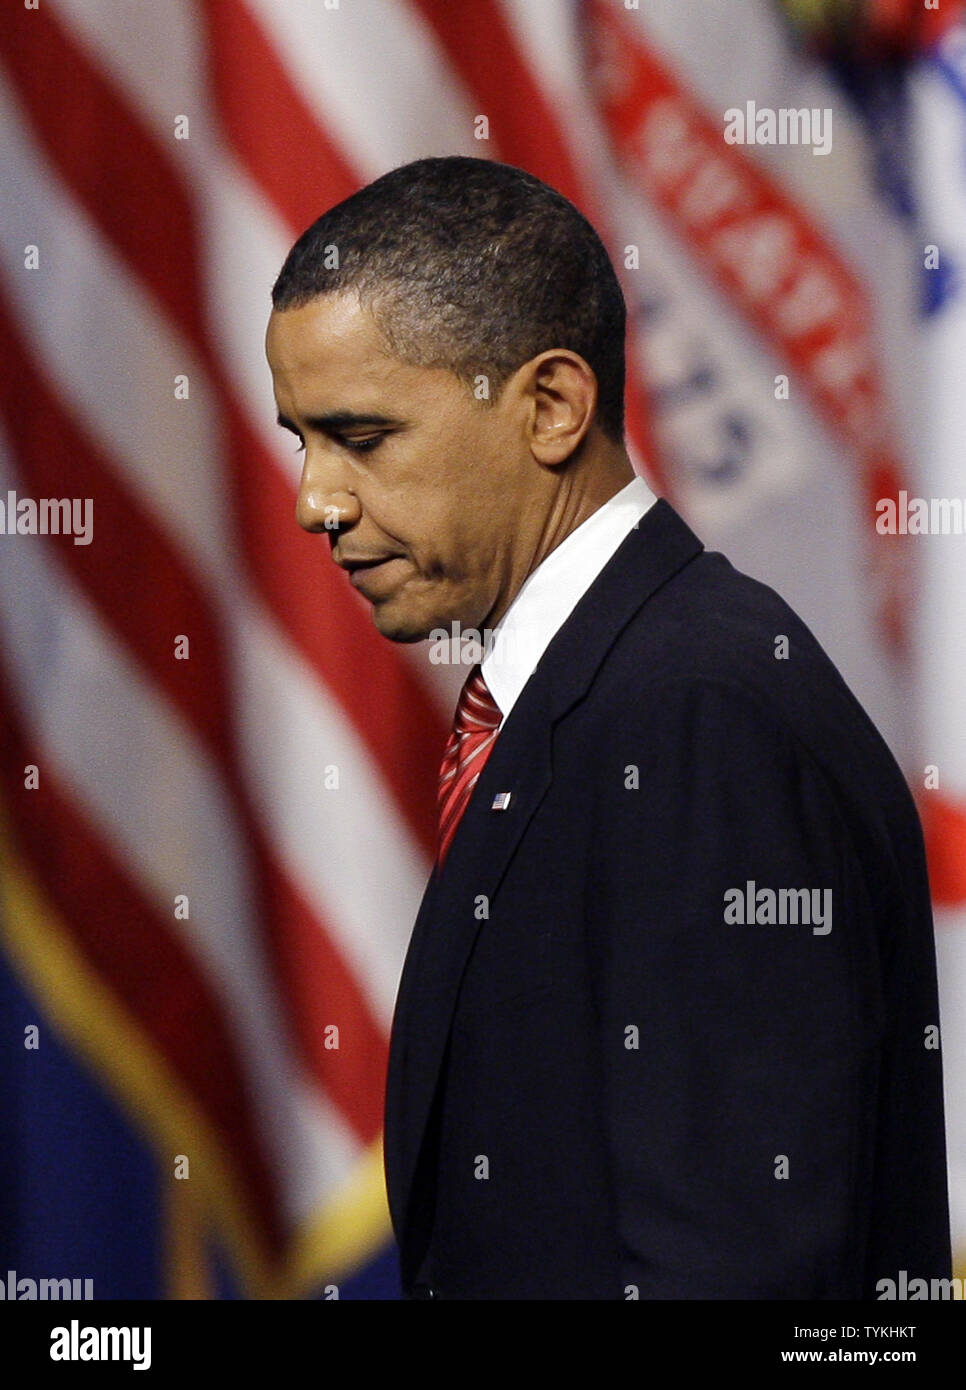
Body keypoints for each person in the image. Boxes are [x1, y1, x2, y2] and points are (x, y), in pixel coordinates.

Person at [265, 155, 951, 1299]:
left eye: (362, 436)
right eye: (301, 439)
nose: (313, 501)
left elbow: (737, 1270)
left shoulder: (697, 716)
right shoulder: (607, 688)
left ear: (550, 405)